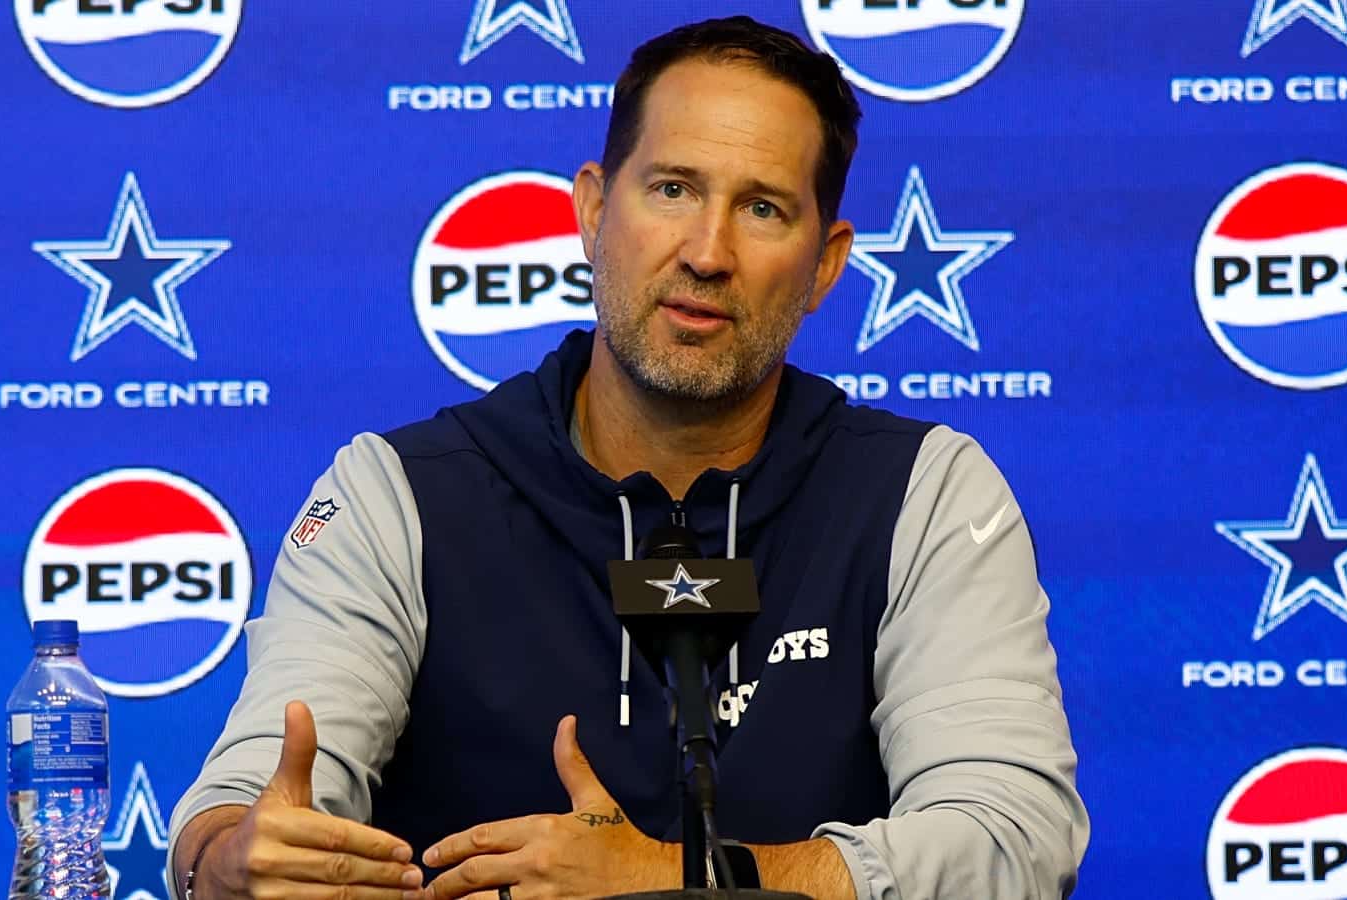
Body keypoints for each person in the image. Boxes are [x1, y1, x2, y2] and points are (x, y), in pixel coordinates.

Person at [166, 15, 1089, 900]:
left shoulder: (920, 492)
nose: (707, 251)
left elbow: (1011, 840)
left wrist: (674, 882)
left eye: (762, 208)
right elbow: (251, 801)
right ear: (594, 210)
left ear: (825, 266)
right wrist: (230, 861)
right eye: (672, 189)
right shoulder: (399, 492)